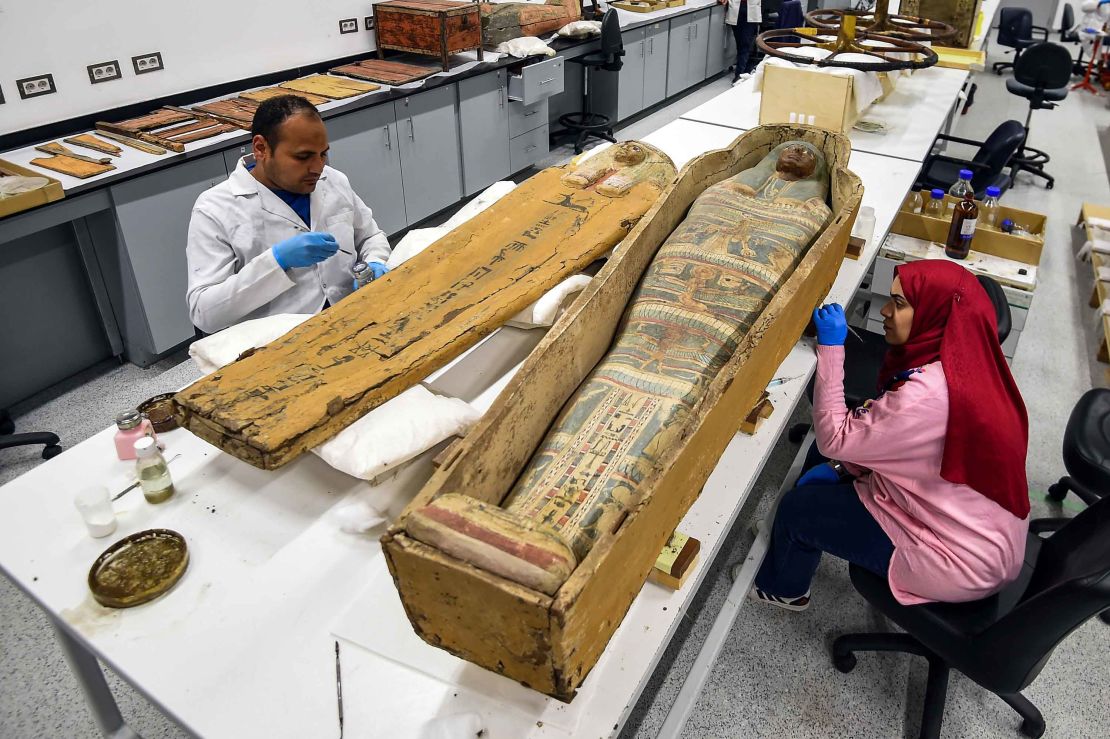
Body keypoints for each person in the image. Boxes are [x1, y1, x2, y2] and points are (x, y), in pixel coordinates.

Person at [751, 260, 1030, 610]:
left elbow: (833, 438)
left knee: (796, 510)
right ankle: (795, 542)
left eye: (899, 304)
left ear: (934, 315)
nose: (885, 310)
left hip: (959, 559)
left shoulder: (925, 398)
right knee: (823, 462)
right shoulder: (972, 362)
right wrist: (843, 468)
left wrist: (832, 349)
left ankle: (785, 589)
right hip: (971, 523)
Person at [186, 94, 391, 334]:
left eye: (323, 154)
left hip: (352, 318)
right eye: (302, 157)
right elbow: (204, 313)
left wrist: (375, 261)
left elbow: (370, 237)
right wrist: (276, 261)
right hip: (279, 342)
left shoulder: (333, 180)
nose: (318, 168)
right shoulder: (214, 209)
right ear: (261, 148)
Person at [722, 0, 762, 85]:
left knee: (745, 44)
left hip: (751, 10)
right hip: (736, 10)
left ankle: (740, 74)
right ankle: (745, 70)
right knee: (740, 44)